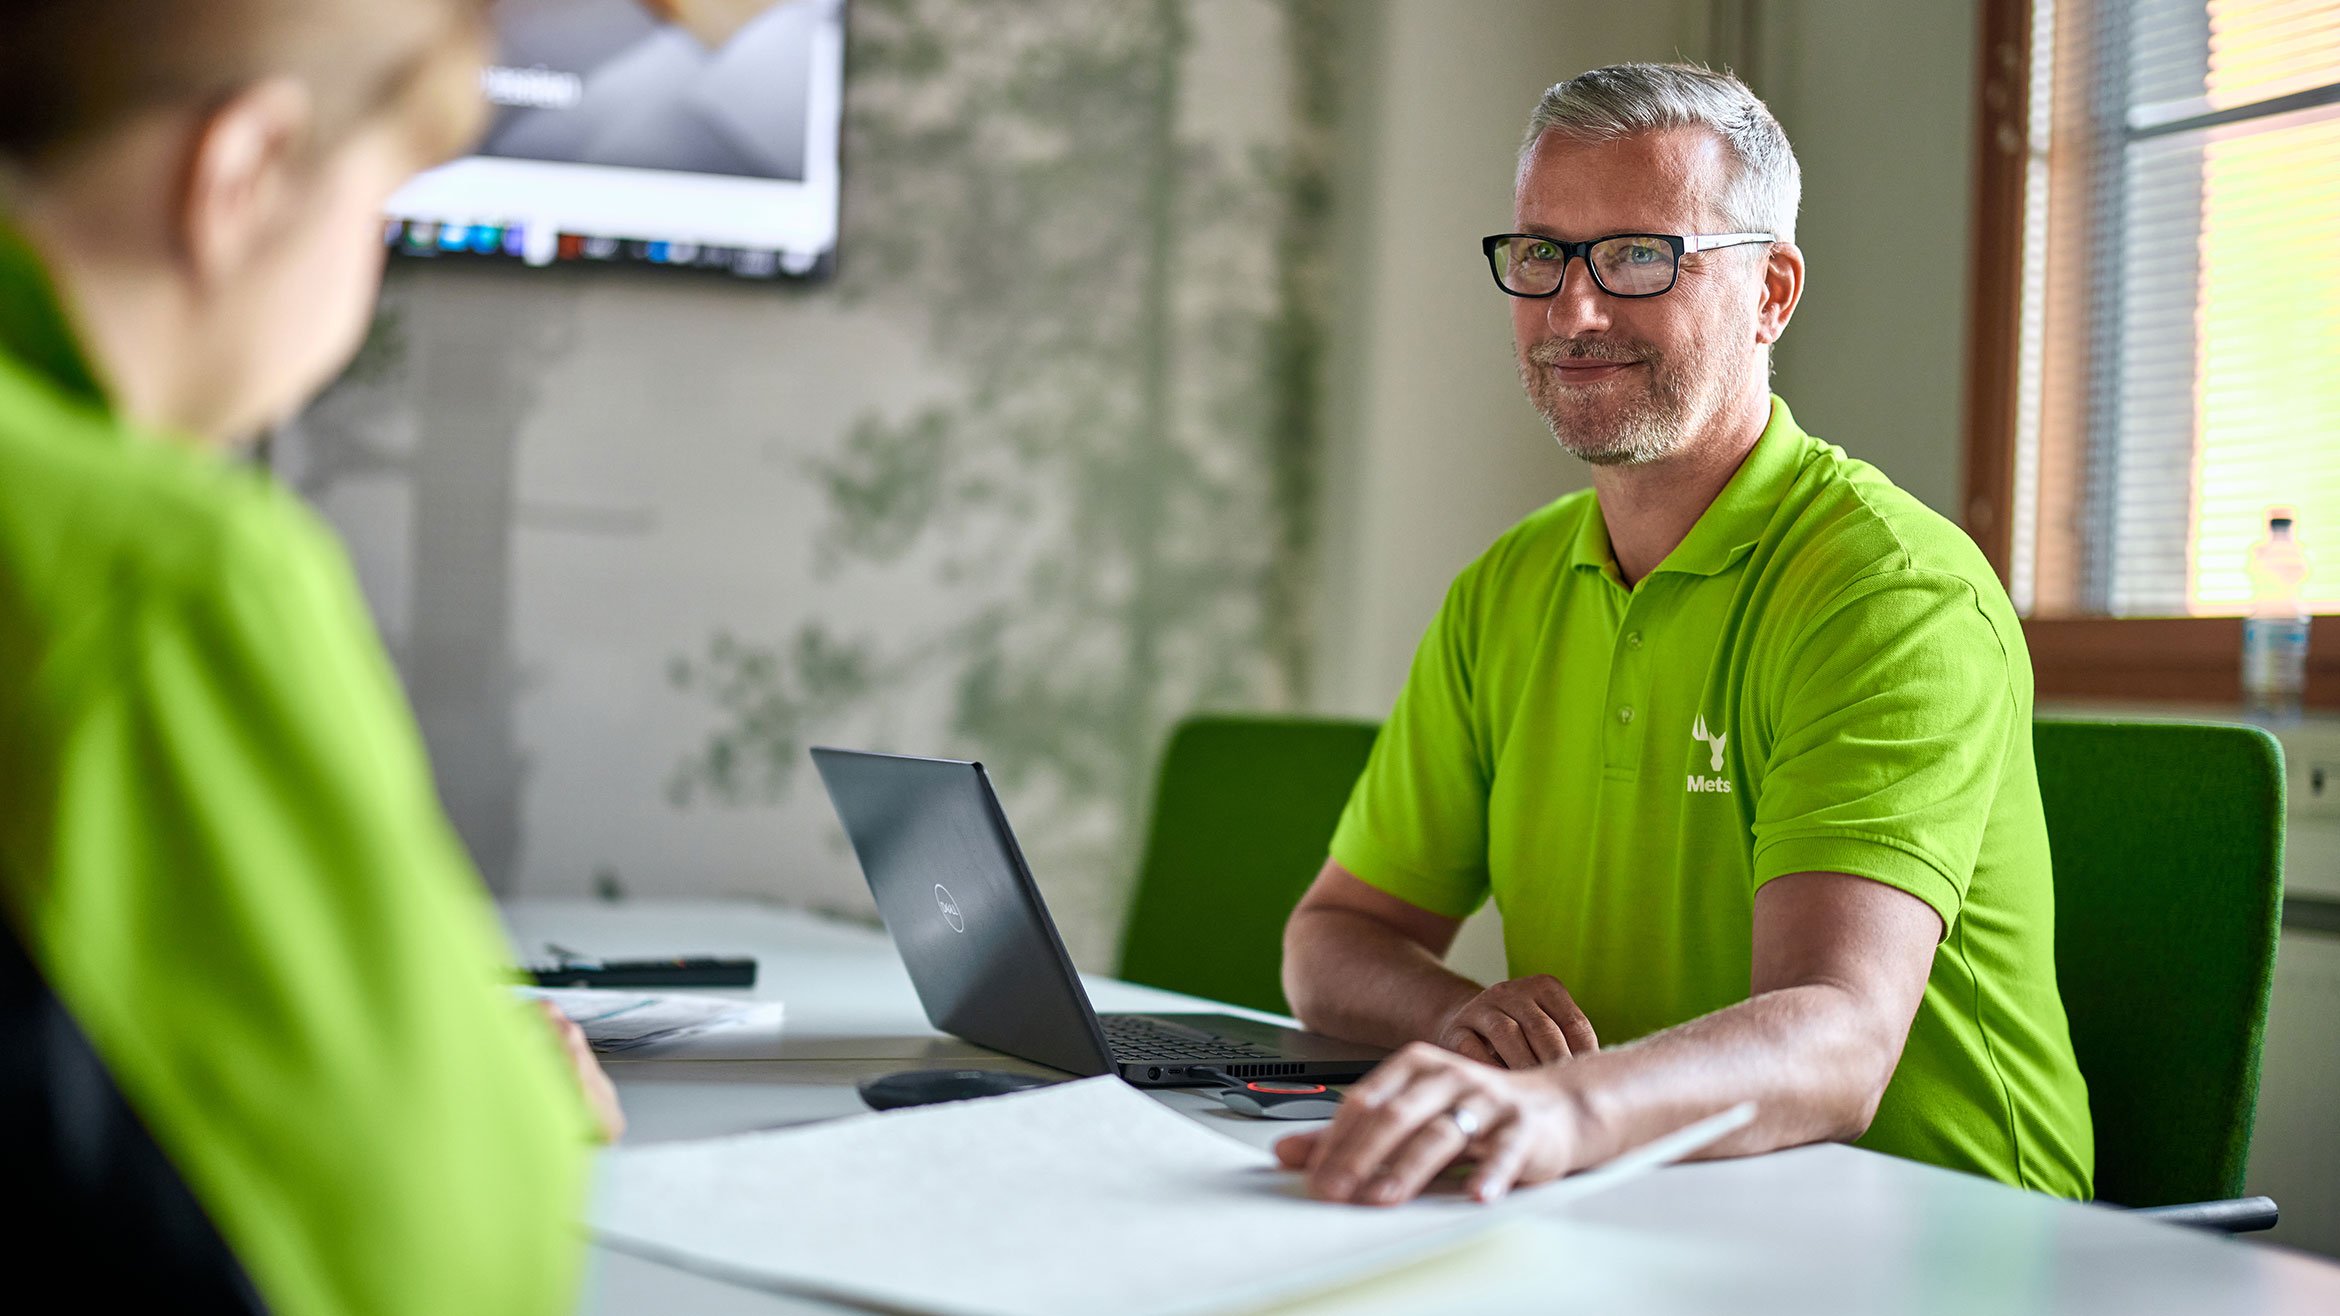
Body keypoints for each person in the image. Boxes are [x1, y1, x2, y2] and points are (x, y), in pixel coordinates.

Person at [1274, 63, 2092, 1207]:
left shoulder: (1888, 592)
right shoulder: (1506, 587)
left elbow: (1840, 1041)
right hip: (1625, 1194)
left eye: (1640, 256)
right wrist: (1458, 1018)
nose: (1575, 309)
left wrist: (1562, 1106)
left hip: (1938, 1228)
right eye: (1544, 254)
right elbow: (1332, 937)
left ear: (1771, 292)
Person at [0, 1, 619, 1309]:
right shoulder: (160, 569)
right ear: (246, 173)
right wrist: (507, 1099)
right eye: (382, 209)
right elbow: (431, 1261)